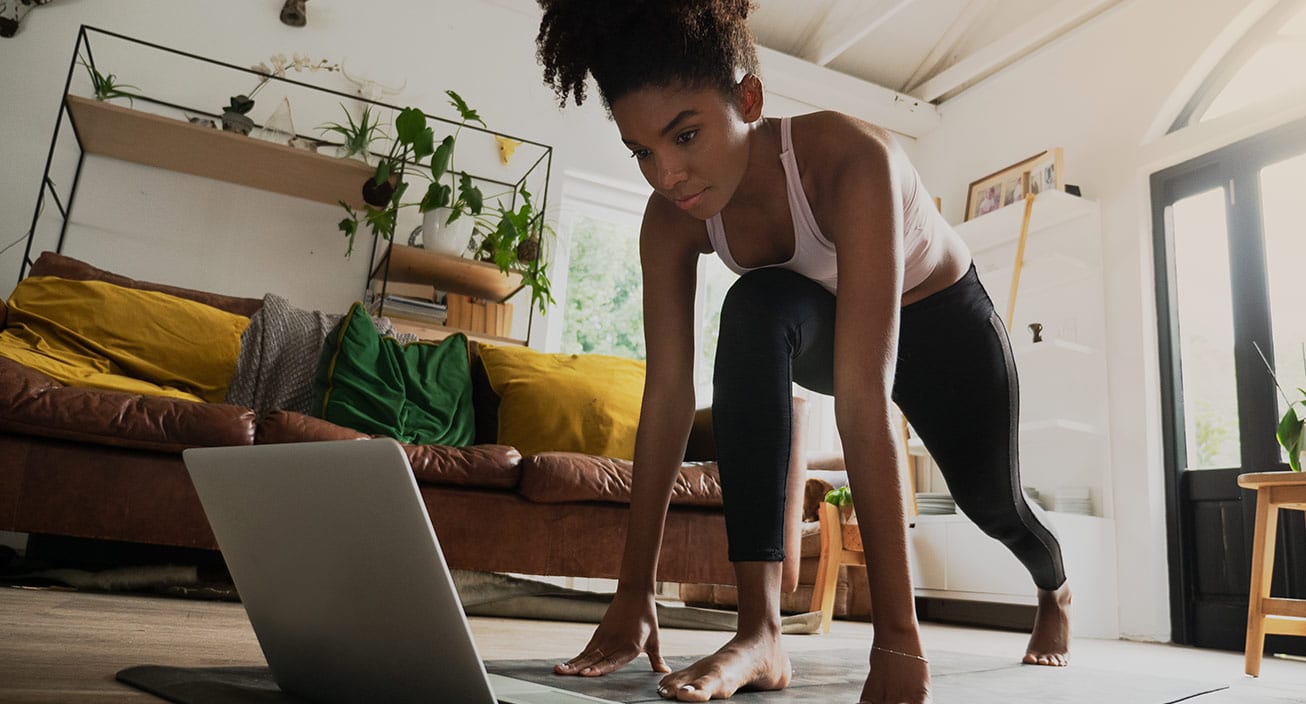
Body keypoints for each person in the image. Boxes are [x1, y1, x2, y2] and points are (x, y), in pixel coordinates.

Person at [534, 2, 1072, 702]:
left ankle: (1053, 588)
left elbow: (861, 401)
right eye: (643, 152)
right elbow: (666, 396)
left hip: (943, 326)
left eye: (686, 135)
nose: (668, 174)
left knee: (993, 503)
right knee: (754, 307)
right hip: (828, 324)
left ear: (748, 98)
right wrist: (632, 594)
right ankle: (760, 633)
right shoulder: (671, 222)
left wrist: (899, 642)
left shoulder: (851, 160)